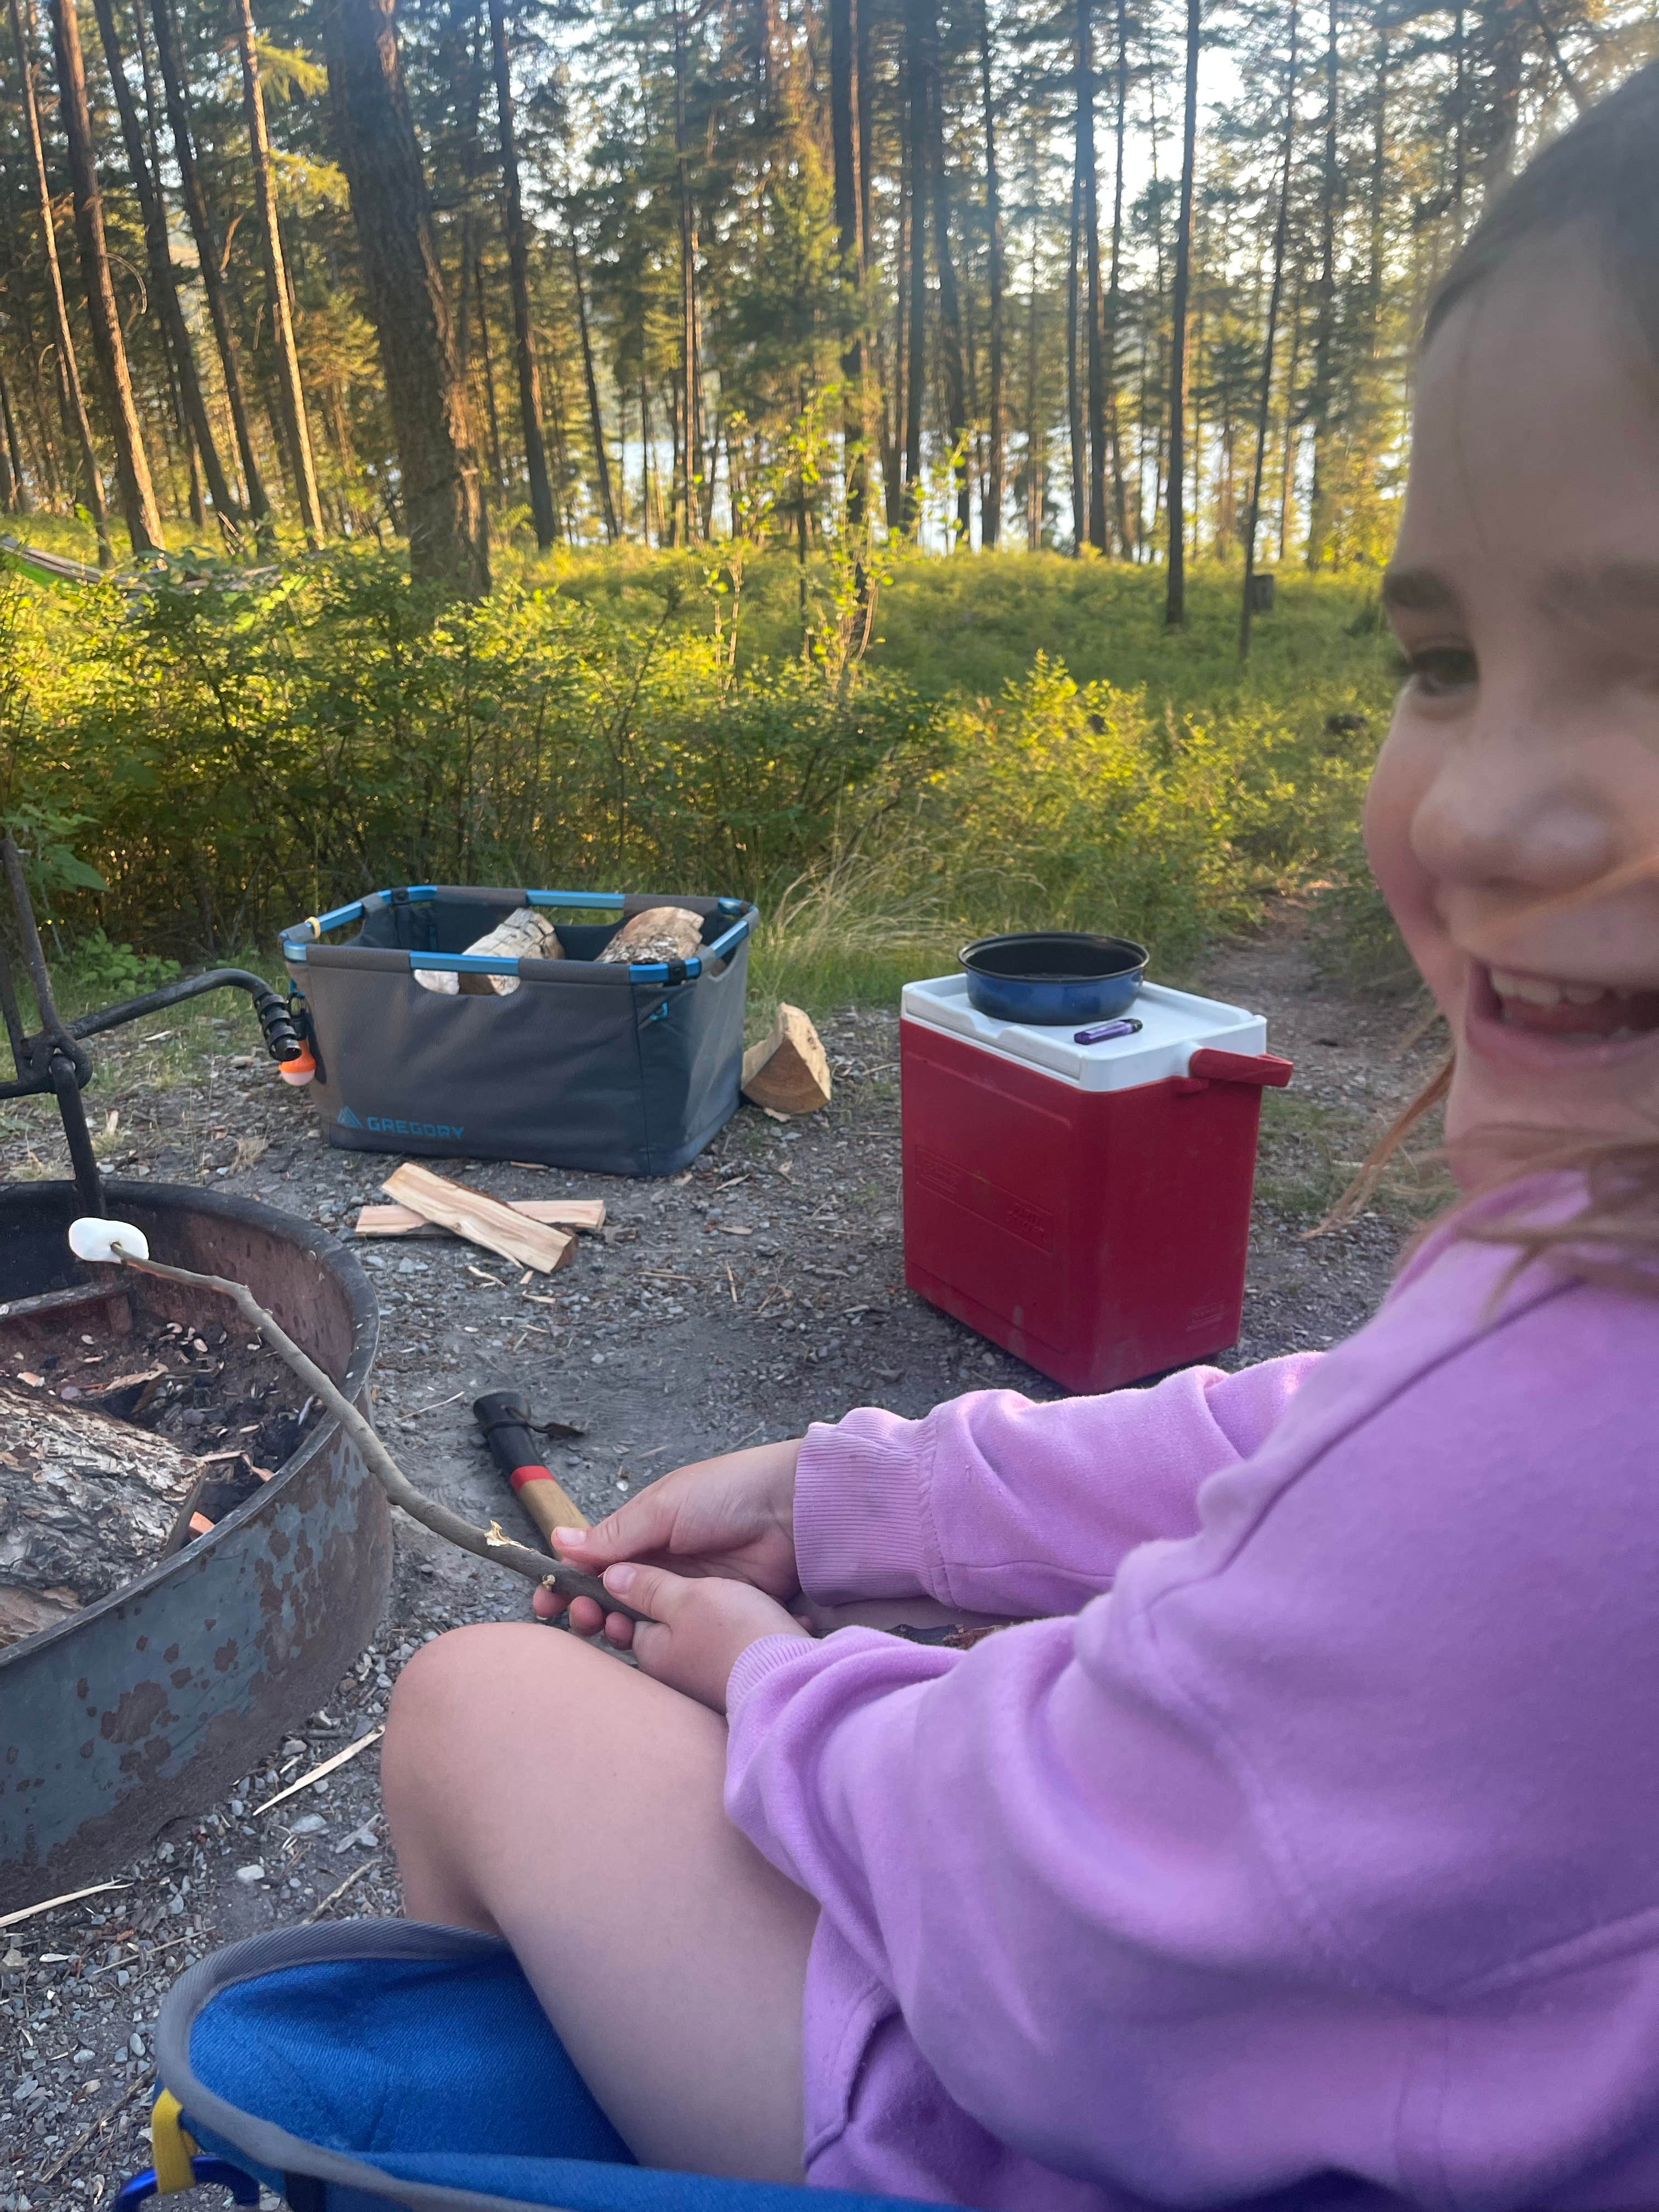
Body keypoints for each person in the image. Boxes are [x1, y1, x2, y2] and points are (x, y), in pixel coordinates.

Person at [382, 64, 1659, 2212]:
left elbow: (1046, 1922)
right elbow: (1337, 1436)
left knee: (476, 1704)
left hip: (1050, 2129)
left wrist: (789, 1696)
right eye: (1440, 657)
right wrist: (863, 1493)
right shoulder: (1577, 1284)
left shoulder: (1565, 1460)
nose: (1470, 808)